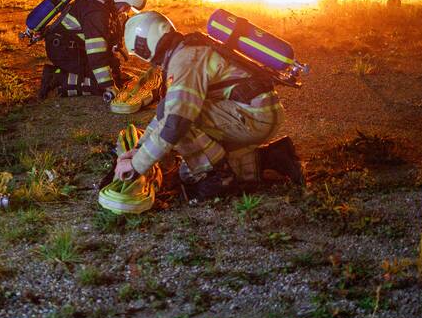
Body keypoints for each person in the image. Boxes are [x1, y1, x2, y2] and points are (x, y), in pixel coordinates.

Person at [114, 11, 303, 200]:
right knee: (186, 162)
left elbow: (176, 122)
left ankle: (219, 179)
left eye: (139, 49)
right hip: (253, 112)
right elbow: (166, 111)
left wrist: (136, 166)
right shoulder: (187, 50)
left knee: (183, 126)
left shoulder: (185, 59)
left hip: (253, 116)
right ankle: (274, 156)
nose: (142, 56)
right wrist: (139, 149)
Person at [39, 0, 146, 98]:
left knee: (111, 77)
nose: (125, 11)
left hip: (72, 47)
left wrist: (116, 72)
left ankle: (64, 73)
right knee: (98, 84)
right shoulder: (97, 13)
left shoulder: (105, 4)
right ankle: (55, 79)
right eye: (126, 6)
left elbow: (107, 45)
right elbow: (96, 52)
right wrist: (108, 85)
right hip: (63, 50)